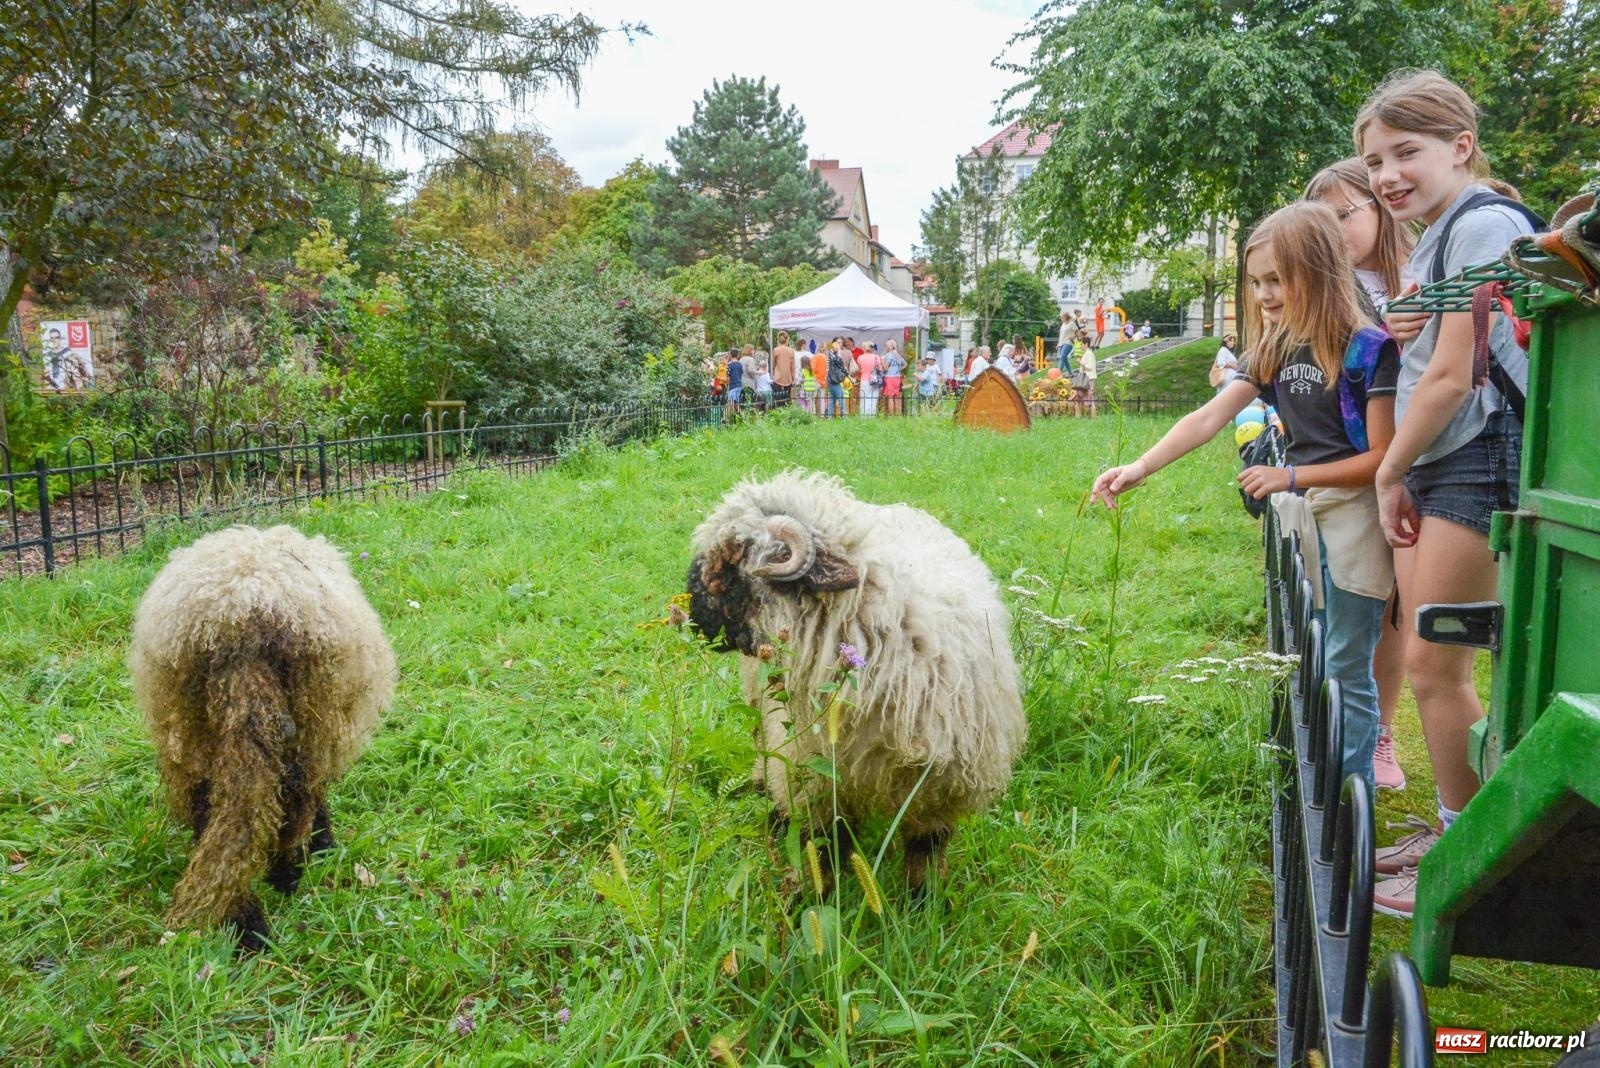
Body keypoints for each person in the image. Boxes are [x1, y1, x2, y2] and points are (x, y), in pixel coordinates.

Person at [1092, 201, 1400, 805]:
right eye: (1255, 282)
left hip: (1358, 509)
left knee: (1346, 660)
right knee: (1312, 637)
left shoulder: (1369, 350)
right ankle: (1321, 768)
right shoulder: (1275, 348)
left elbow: (1382, 461)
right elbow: (1208, 416)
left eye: (1276, 280)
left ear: (1317, 270)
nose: (1262, 295)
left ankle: (1349, 799)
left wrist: (1290, 479)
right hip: (1306, 505)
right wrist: (1141, 467)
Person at [1356, 70, 1540, 917]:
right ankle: (1455, 828)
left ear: (1460, 147)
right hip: (1448, 456)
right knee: (1437, 664)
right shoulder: (1438, 237)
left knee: (1437, 663)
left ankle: (1471, 858)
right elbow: (1434, 341)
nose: (1388, 175)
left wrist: (1390, 466)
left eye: (1406, 152)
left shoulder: (1484, 223)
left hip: (1479, 450)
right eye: (1374, 163)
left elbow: (1460, 377)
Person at [1305, 155, 1420, 794]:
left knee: (1398, 601)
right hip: (1361, 455)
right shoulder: (1333, 290)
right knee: (1362, 596)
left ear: (1378, 210)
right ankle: (1357, 719)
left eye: (1346, 214)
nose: (1338, 230)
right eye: (1325, 219)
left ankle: (1382, 731)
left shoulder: (1421, 272)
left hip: (1423, 445)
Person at [771, 331, 797, 406]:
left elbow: (773, 365)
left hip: (777, 377)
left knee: (777, 398)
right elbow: (792, 366)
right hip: (788, 378)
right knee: (787, 399)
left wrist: (772, 374)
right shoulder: (791, 351)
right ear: (787, 339)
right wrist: (793, 378)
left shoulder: (775, 350)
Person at [1074, 341, 1098, 417]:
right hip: (1084, 378)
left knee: (1090, 398)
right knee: (1079, 398)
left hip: (1087, 379)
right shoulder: (1086, 353)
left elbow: (1090, 367)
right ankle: (1078, 416)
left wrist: (1080, 362)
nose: (1080, 346)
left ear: (1086, 344)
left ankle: (1093, 417)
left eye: (1081, 344)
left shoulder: (1089, 354)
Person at [882, 339, 905, 415]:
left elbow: (885, 368)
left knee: (890, 398)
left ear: (891, 346)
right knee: (896, 397)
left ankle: (891, 415)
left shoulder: (888, 355)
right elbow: (905, 364)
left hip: (889, 377)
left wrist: (882, 362)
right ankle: (896, 414)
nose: (886, 347)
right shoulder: (898, 355)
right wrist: (898, 369)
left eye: (887, 345)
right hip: (897, 378)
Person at [856, 343, 880, 416]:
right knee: (873, 398)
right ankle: (871, 415)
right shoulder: (876, 357)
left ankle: (863, 415)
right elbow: (880, 369)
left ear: (864, 348)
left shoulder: (860, 358)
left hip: (864, 380)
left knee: (864, 397)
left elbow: (859, 369)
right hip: (874, 380)